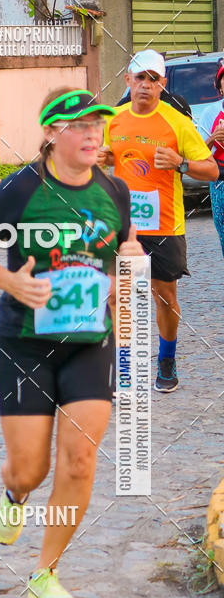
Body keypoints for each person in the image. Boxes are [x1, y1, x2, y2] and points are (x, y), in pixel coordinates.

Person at [0, 88, 145, 598]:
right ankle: (14, 494)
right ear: (51, 133)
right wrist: (11, 283)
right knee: (29, 468)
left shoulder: (114, 189)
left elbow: (124, 251)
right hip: (24, 342)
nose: (92, 134)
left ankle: (47, 572)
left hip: (89, 341)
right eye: (80, 125)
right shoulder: (20, 190)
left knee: (81, 460)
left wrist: (128, 257)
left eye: (97, 125)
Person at [100, 49, 218, 393]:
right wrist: (100, 158)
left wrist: (181, 163)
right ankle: (122, 368)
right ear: (128, 81)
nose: (146, 85)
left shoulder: (177, 121)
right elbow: (96, 157)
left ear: (163, 84)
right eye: (140, 78)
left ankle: (167, 359)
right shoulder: (113, 118)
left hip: (165, 225)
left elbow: (211, 169)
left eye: (153, 79)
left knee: (164, 297)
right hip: (124, 226)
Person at [197, 60, 224, 257]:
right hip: (219, 183)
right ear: (220, 87)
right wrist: (212, 138)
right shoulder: (210, 112)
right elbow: (197, 153)